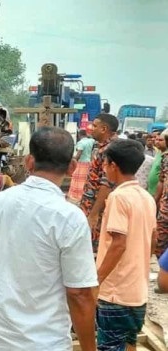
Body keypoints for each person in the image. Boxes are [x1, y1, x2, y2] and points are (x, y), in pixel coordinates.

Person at [0, 126, 98, 351]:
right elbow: (79, 293)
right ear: (72, 167)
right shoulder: (69, 217)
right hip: (46, 342)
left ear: (29, 162)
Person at [95, 139, 157, 350]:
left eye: (105, 164)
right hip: (137, 291)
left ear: (114, 165)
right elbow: (153, 238)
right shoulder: (147, 198)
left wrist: (97, 280)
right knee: (130, 342)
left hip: (115, 293)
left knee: (111, 345)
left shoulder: (118, 197)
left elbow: (118, 244)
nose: (104, 168)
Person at [81, 113, 120, 253]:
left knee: (93, 247)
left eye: (95, 126)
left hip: (97, 207)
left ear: (104, 129)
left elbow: (106, 183)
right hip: (91, 205)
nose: (91, 128)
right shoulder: (102, 148)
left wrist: (94, 213)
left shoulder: (110, 150)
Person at [68, 129, 96, 204]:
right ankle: (83, 194)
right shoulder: (91, 141)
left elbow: (79, 154)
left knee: (77, 180)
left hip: (80, 164)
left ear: (79, 135)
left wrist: (73, 160)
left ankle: (76, 195)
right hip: (88, 163)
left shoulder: (80, 143)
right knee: (84, 180)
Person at [155, 129, 168, 257]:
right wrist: (155, 200)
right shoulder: (165, 158)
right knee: (160, 241)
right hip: (165, 210)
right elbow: (161, 181)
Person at [148, 132, 165, 197]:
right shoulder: (159, 152)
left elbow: (162, 180)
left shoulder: (166, 156)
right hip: (151, 191)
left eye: (160, 140)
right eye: (156, 139)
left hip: (159, 195)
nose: (156, 141)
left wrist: (156, 198)